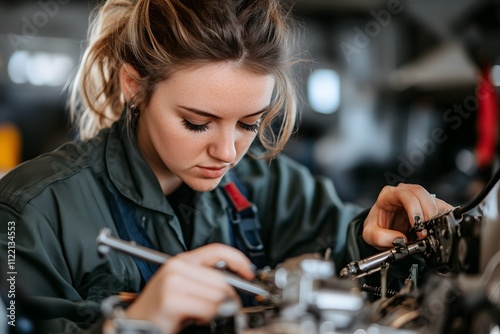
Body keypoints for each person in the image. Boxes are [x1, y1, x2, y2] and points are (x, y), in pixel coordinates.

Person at [0, 0, 452, 333]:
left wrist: (382, 238)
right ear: (134, 86)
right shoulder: (31, 212)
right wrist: (129, 324)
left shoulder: (267, 182)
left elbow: (350, 258)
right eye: (197, 123)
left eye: (249, 124)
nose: (228, 152)